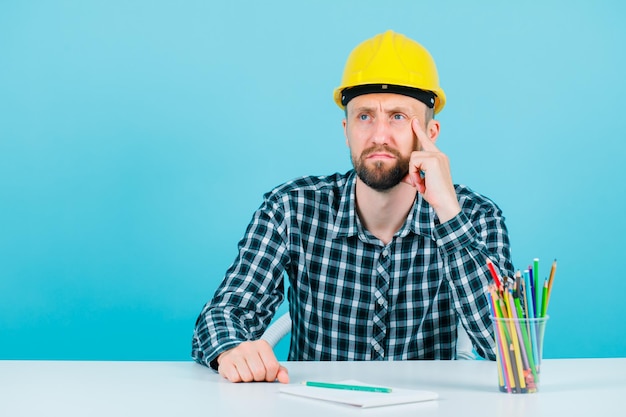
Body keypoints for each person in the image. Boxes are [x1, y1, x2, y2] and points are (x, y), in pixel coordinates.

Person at [192, 30, 514, 383]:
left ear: (430, 133)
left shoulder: (476, 217)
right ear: (346, 130)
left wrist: (449, 214)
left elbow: (507, 348)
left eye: (397, 117)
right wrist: (233, 349)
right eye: (364, 117)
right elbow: (222, 316)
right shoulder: (291, 208)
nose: (378, 135)